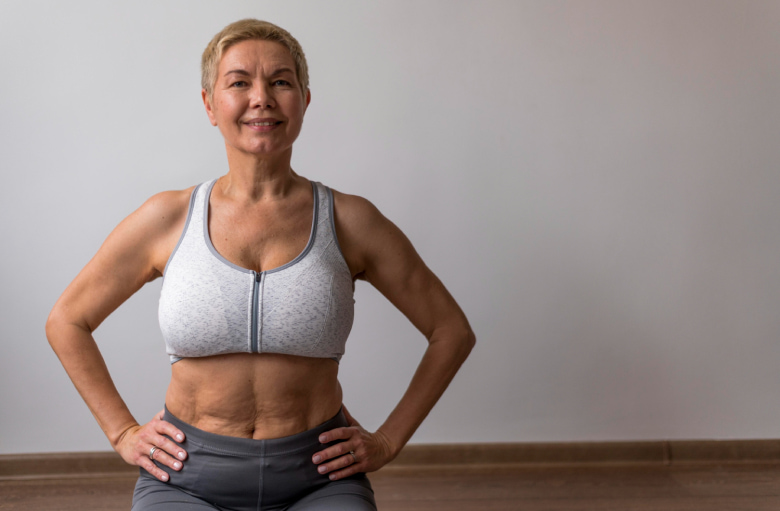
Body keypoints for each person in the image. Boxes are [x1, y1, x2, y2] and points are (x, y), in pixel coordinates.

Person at [46, 18, 475, 511]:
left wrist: (387, 441)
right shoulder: (166, 218)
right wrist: (122, 432)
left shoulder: (351, 220)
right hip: (184, 475)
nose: (262, 98)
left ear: (305, 100)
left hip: (318, 477)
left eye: (281, 81)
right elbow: (67, 320)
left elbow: (451, 330)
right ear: (210, 104)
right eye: (239, 82)